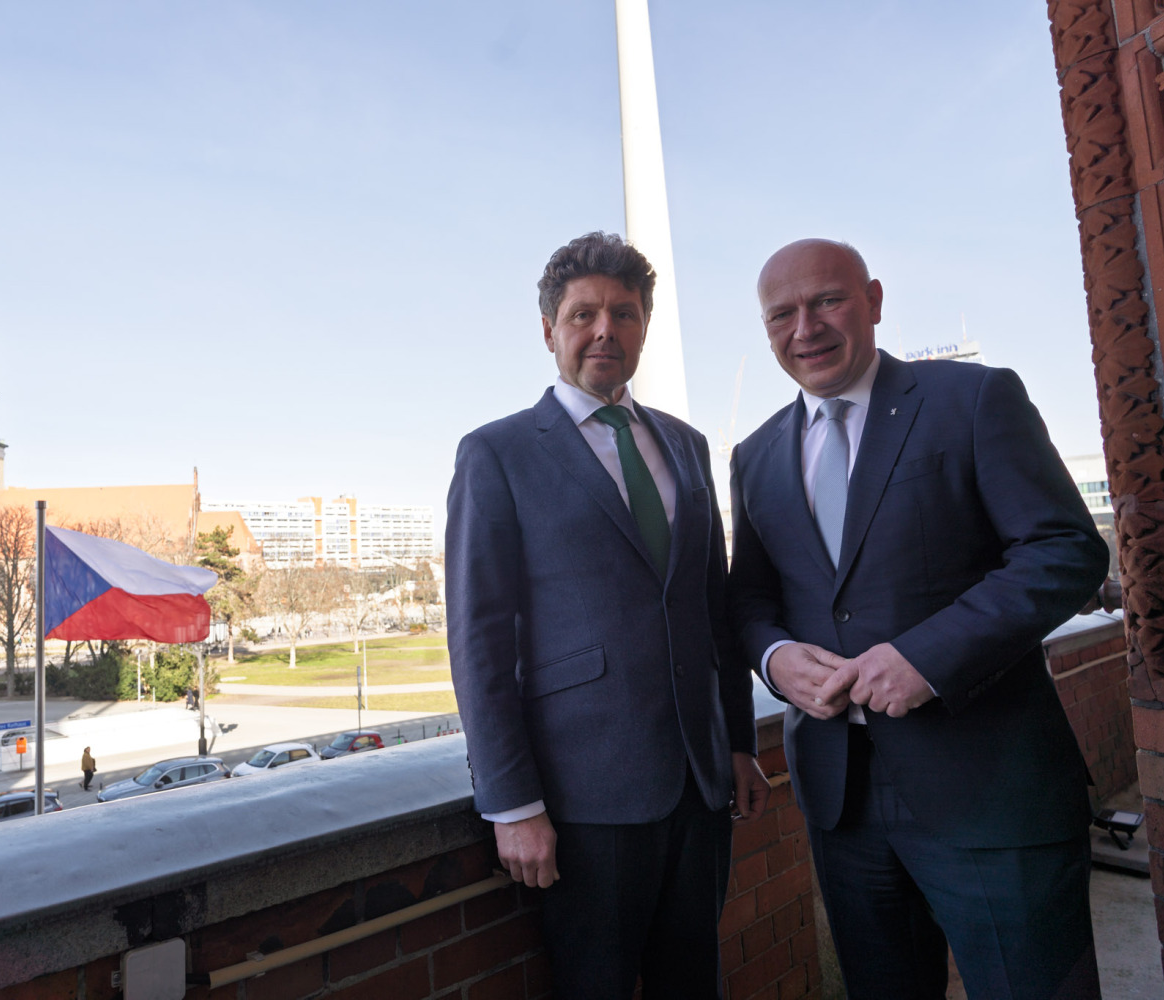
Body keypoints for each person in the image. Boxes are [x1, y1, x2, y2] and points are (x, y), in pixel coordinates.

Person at [728, 239, 1108, 999]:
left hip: (990, 788)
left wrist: (928, 657)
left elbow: (1064, 550)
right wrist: (774, 659)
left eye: (827, 301)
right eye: (782, 313)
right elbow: (750, 601)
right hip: (842, 801)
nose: (806, 327)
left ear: (872, 299)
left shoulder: (972, 399)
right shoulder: (754, 455)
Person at [447, 231, 768, 999]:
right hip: (584, 798)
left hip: (700, 787)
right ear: (549, 330)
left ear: (644, 327)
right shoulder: (497, 454)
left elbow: (710, 608)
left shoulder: (686, 447)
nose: (604, 331)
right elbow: (478, 637)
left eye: (623, 314)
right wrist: (512, 802)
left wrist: (736, 742)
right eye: (582, 314)